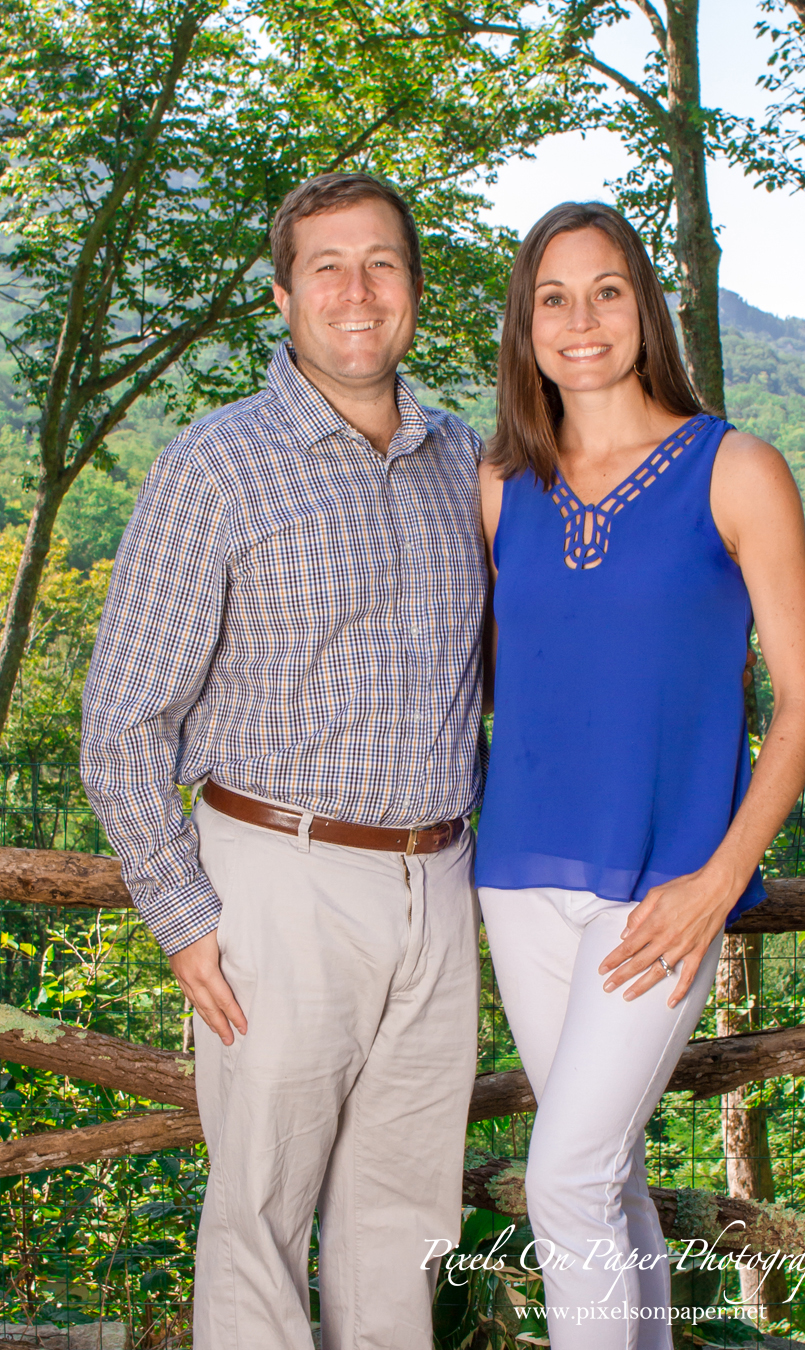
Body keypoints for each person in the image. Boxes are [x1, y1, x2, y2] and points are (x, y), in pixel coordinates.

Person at [80, 172, 487, 1350]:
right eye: (328, 267)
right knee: (259, 1218)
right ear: (283, 294)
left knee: (402, 1224)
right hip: (277, 876)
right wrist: (183, 912)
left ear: (414, 289)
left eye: (383, 265)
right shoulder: (216, 467)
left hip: (440, 881)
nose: (357, 293)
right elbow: (122, 720)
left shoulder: (466, 460)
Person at [475, 202, 805, 1348]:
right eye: (554, 298)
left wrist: (720, 878)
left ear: (647, 307)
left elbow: (803, 703)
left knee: (564, 1177)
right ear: (526, 326)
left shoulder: (736, 470)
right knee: (606, 1171)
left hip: (666, 888)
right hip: (517, 877)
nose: (583, 320)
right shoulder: (499, 485)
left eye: (609, 290)